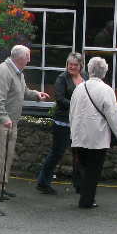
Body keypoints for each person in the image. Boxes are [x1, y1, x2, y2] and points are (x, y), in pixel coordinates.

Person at [0, 44, 50, 201]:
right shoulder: (3, 71)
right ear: (20, 58)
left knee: (7, 155)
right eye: (28, 57)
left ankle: (2, 186)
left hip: (11, 121)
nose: (29, 60)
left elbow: (24, 91)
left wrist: (36, 95)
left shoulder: (18, 72)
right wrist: (4, 118)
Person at [69, 56, 117, 209]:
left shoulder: (79, 88)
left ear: (89, 70)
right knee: (93, 170)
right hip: (98, 137)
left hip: (79, 134)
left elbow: (72, 112)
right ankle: (86, 200)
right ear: (104, 73)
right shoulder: (107, 90)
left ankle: (83, 192)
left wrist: (72, 132)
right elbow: (113, 117)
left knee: (82, 166)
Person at [36, 52, 85, 195]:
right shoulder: (62, 78)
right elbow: (60, 99)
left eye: (75, 64)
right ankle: (43, 182)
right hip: (63, 122)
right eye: (70, 64)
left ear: (80, 66)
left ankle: (79, 184)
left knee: (79, 154)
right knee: (57, 153)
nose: (72, 67)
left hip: (80, 122)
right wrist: (78, 105)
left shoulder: (86, 77)